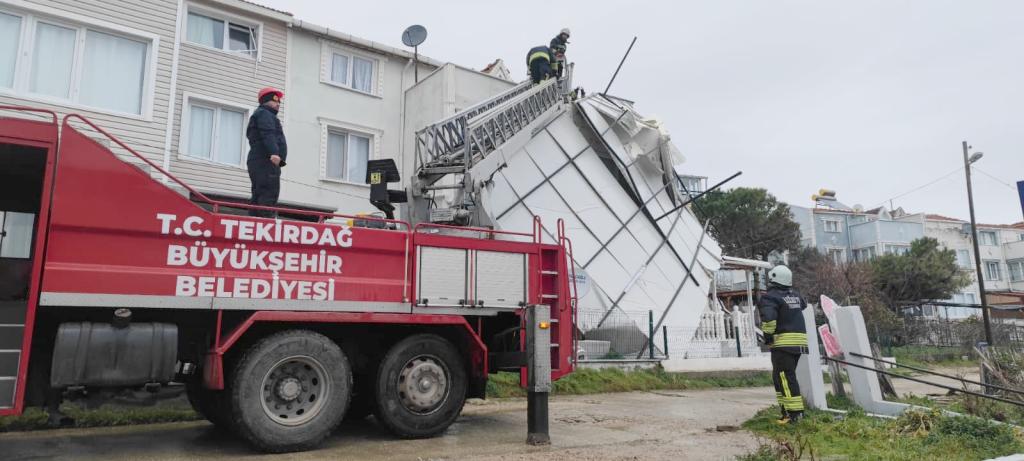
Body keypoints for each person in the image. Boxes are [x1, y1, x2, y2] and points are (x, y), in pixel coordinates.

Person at [758, 264, 808, 424]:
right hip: (798, 344)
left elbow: (769, 321)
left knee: (785, 378)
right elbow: (803, 304)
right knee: (779, 377)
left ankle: (796, 415)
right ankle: (786, 412)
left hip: (783, 344)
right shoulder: (795, 295)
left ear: (773, 279)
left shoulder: (770, 298)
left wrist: (768, 337)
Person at [246, 87, 287, 218]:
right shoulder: (265, 114)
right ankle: (265, 223)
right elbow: (268, 133)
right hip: (266, 161)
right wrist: (274, 153)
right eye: (275, 100)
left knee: (259, 195)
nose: (278, 103)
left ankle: (256, 222)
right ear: (265, 101)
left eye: (279, 101)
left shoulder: (261, 114)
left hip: (263, 161)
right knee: (268, 194)